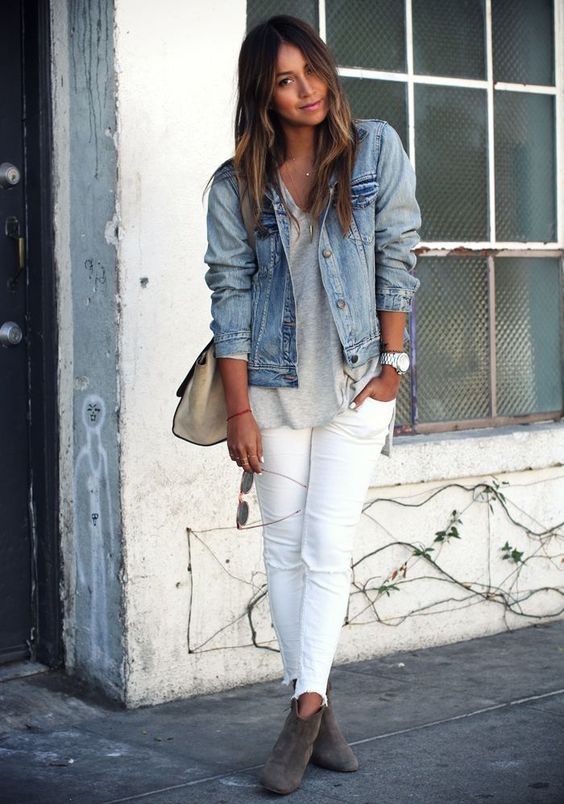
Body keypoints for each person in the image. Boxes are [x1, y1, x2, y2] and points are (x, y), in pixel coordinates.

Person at [203, 14, 421, 796]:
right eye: (285, 82)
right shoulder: (236, 187)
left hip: (360, 383)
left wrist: (394, 363)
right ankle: (314, 706)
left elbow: (399, 251)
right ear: (262, 96)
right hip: (272, 390)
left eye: (312, 72)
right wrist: (237, 413)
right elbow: (228, 298)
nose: (307, 92)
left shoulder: (375, 151)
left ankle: (299, 715)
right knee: (283, 552)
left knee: (326, 550)